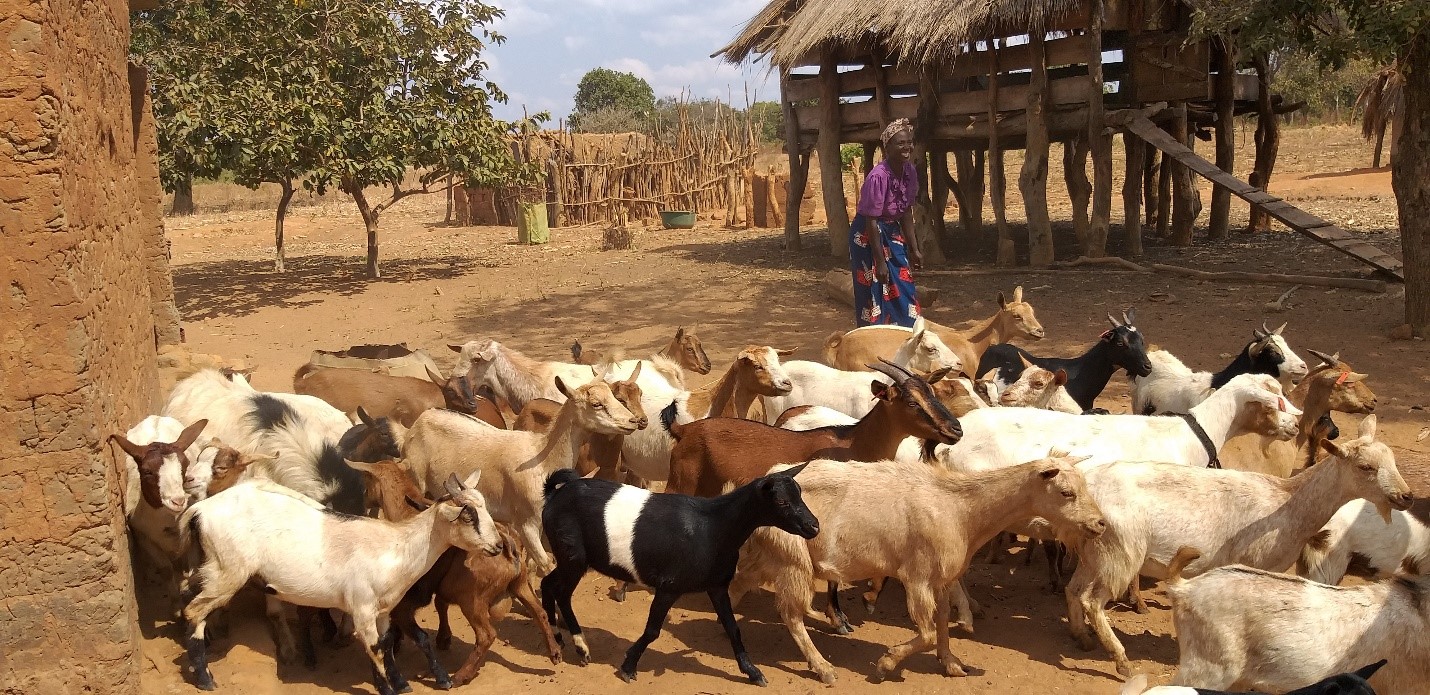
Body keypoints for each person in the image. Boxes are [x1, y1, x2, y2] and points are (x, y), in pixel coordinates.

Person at [849, 118, 923, 328]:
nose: (906, 147)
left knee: (903, 281)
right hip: (867, 234)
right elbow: (871, 220)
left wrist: (913, 248)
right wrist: (880, 261)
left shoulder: (909, 172)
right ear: (887, 147)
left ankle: (904, 330)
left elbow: (906, 212)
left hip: (891, 231)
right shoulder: (878, 177)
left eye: (909, 142)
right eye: (900, 143)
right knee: (872, 289)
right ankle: (874, 337)